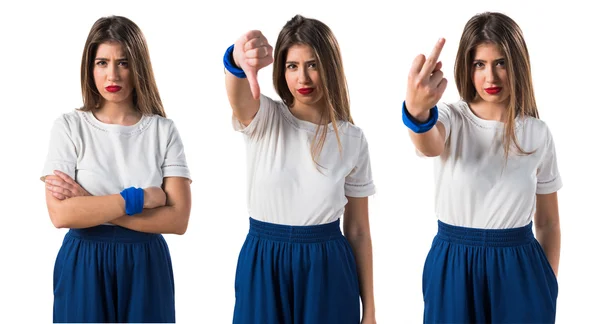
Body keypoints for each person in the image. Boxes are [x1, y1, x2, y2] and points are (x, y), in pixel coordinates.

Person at [403, 12, 561, 323]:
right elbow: (429, 143)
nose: (491, 77)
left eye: (500, 62)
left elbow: (549, 223)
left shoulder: (536, 133)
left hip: (520, 266)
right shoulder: (451, 117)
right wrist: (417, 112)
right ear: (467, 67)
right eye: (480, 64)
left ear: (517, 64)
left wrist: (547, 284)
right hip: (454, 262)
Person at [223, 14, 376, 323]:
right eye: (293, 66)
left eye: (313, 64)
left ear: (330, 67)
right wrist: (236, 60)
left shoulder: (351, 138)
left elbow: (358, 230)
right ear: (281, 69)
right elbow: (239, 98)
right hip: (263, 261)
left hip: (328, 266)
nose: (302, 79)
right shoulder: (264, 117)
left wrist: (370, 309)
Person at [42, 15, 192, 323]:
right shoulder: (70, 127)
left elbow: (178, 220)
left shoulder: (162, 131)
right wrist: (139, 199)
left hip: (145, 263)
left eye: (123, 62)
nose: (113, 74)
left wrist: (90, 203)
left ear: (138, 66)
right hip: (84, 260)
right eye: (102, 63)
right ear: (90, 67)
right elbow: (62, 215)